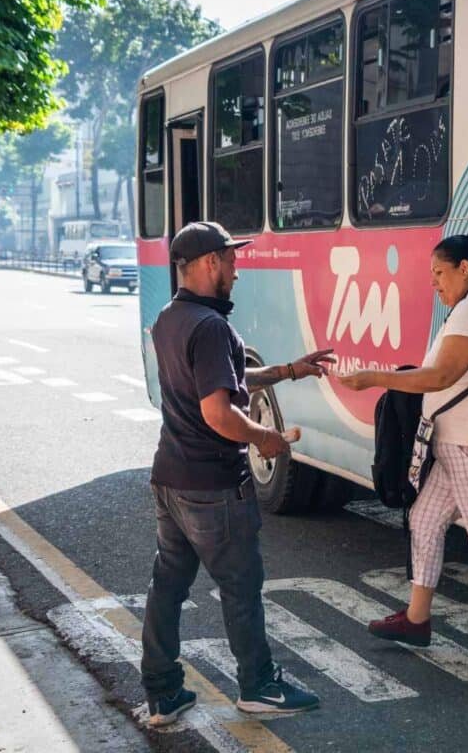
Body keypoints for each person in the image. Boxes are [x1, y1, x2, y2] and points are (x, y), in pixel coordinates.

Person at [141, 221, 335, 725]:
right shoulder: (210, 327)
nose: (236, 269)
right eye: (230, 259)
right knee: (241, 586)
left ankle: (162, 693)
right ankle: (258, 685)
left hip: (170, 479)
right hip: (212, 485)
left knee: (168, 586)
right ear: (209, 264)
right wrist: (264, 438)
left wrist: (289, 369)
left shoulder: (171, 318)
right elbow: (219, 412)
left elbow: (223, 378)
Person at [334, 229, 468, 669]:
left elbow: (440, 377)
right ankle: (417, 618)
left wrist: (376, 377)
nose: (433, 283)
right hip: (459, 445)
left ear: (464, 269)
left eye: (439, 273)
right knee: (425, 520)